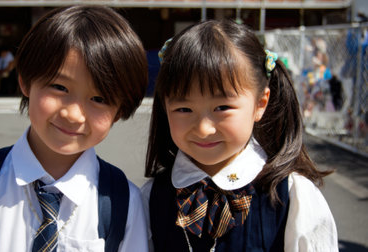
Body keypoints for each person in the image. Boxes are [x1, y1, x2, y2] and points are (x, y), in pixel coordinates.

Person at [0, 6, 148, 251]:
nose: (73, 115)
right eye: (59, 87)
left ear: (120, 111)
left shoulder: (124, 203)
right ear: (25, 81)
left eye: (99, 99)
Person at [142, 20, 338, 251]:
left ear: (260, 103)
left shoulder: (294, 195)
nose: (204, 129)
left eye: (222, 108)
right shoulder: (152, 197)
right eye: (184, 109)